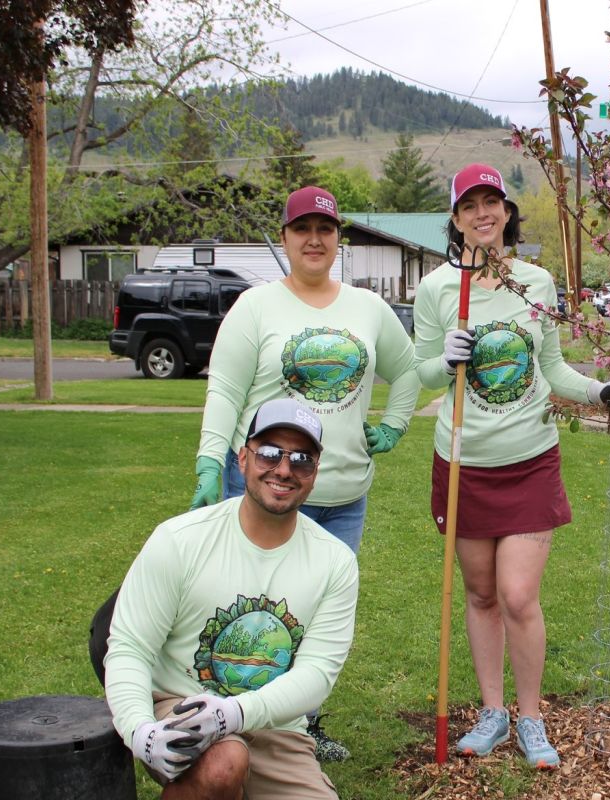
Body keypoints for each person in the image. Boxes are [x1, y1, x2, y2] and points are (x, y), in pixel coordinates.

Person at [413, 163, 610, 769]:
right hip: (464, 463)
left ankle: (531, 718)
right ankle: (492, 713)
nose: (482, 214)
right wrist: (444, 360)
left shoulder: (536, 283)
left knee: (517, 595)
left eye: (492, 202)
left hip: (530, 460)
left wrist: (599, 391)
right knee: (482, 594)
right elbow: (421, 371)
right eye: (469, 206)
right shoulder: (438, 289)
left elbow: (553, 368)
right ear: (456, 219)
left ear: (508, 212)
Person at [192, 185, 419, 759]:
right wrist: (209, 461)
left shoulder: (368, 308)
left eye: (325, 229)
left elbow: (409, 370)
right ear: (286, 237)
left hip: (343, 496)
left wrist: (394, 424)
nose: (314, 239)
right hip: (266, 486)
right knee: (252, 609)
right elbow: (225, 391)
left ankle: (300, 728)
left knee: (315, 617)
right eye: (302, 229)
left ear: (338, 238)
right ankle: (232, 722)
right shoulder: (256, 307)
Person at [104, 398, 358, 799]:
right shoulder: (180, 540)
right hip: (182, 708)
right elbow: (129, 648)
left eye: (302, 460)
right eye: (270, 453)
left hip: (276, 729)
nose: (284, 470)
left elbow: (317, 675)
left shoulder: (335, 561)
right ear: (242, 459)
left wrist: (235, 714)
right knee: (224, 764)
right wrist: (140, 731)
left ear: (315, 473)